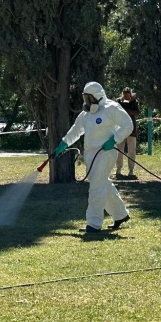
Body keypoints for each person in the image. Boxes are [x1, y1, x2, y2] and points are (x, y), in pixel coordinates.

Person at [54, 82, 134, 233]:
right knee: (102, 183)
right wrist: (63, 144)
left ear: (97, 97)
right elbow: (76, 130)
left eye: (89, 98)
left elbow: (128, 125)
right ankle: (120, 214)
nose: (86, 102)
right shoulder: (86, 114)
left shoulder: (111, 108)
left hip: (106, 152)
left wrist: (114, 140)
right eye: (85, 98)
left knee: (96, 186)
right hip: (91, 154)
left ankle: (94, 223)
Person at [116, 87, 140, 178]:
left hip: (132, 129)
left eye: (128, 94)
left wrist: (127, 111)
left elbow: (137, 112)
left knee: (132, 150)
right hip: (120, 128)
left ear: (130, 94)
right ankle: (118, 169)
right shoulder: (118, 101)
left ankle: (131, 170)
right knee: (119, 149)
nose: (126, 95)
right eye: (125, 94)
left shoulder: (135, 102)